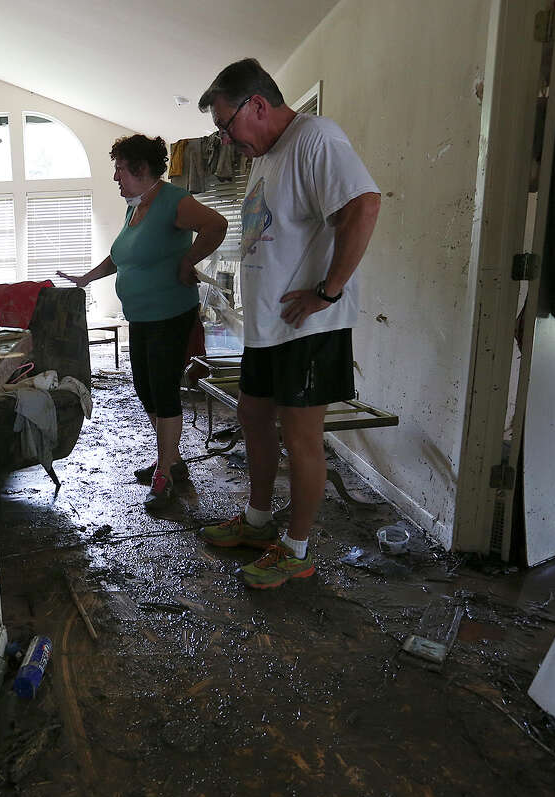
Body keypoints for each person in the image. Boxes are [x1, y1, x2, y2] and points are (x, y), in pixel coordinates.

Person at [196, 58, 381, 589]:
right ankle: (257, 522)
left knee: (301, 437)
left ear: (256, 105)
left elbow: (364, 206)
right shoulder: (268, 156)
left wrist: (329, 290)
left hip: (308, 328)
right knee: (254, 416)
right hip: (269, 327)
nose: (227, 140)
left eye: (226, 126)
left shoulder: (315, 138)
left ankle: (296, 548)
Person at [60, 134, 227, 509]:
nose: (116, 177)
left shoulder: (173, 202)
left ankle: (165, 474)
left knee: (164, 392)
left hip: (171, 313)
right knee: (145, 390)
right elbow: (122, 256)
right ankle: (172, 459)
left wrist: (188, 262)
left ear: (140, 168)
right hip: (141, 316)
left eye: (120, 169)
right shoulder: (134, 208)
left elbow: (216, 226)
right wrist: (86, 278)